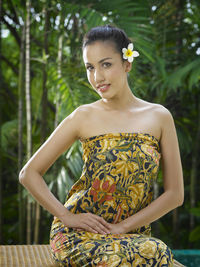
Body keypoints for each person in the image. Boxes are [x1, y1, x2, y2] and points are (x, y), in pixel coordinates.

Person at [19, 25, 184, 266]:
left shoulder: (159, 117)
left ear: (127, 63)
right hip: (79, 236)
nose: (97, 77)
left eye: (106, 64)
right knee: (144, 255)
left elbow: (175, 194)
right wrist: (66, 216)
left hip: (132, 237)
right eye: (90, 67)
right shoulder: (82, 116)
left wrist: (123, 228)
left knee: (156, 250)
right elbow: (28, 174)